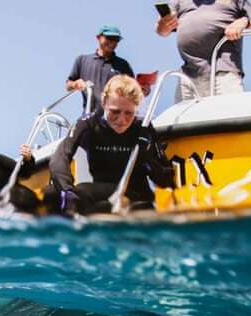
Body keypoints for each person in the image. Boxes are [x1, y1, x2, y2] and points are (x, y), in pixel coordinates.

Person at [48, 75, 175, 215]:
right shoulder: (88, 123)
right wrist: (67, 191)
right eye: (115, 112)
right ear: (104, 102)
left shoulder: (143, 128)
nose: (121, 120)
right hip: (102, 193)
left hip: (137, 197)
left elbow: (166, 180)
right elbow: (60, 158)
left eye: (129, 113)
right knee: (70, 195)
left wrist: (147, 159)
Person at [155, 0, 251, 99]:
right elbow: (161, 31)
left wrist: (244, 22)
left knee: (230, 115)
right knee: (184, 120)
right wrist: (164, 24)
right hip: (188, 75)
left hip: (223, 72)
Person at [65, 24, 145, 112]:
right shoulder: (82, 60)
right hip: (90, 117)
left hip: (115, 119)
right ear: (98, 37)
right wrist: (75, 84)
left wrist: (144, 89)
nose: (113, 42)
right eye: (109, 38)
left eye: (116, 40)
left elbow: (134, 92)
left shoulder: (123, 65)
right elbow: (68, 85)